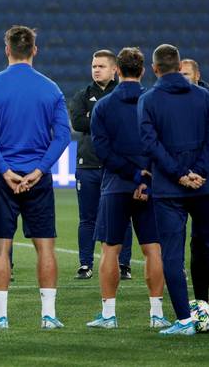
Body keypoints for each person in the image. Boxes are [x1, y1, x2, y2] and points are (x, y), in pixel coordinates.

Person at [0, 26, 70, 330]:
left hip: (2, 179)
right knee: (45, 247)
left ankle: (1, 316)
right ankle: (49, 315)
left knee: (0, 249)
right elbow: (63, 136)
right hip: (37, 179)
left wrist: (5, 171)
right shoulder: (51, 88)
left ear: (7, 50)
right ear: (35, 50)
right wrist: (39, 170)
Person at [86, 47, 170, 329]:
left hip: (116, 185)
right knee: (153, 250)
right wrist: (145, 179)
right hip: (151, 187)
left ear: (118, 71)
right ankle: (156, 314)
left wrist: (132, 175)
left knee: (110, 249)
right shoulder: (155, 102)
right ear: (143, 70)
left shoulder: (104, 106)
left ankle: (108, 315)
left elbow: (102, 150)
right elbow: (160, 145)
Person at [138, 44, 209, 335]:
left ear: (155, 68)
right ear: (179, 66)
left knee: (172, 255)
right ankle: (205, 307)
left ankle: (184, 320)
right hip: (204, 186)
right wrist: (199, 172)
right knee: (205, 246)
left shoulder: (149, 99)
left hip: (169, 189)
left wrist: (179, 174)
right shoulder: (204, 96)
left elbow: (149, 143)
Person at [69, 49, 133, 280]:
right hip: (88, 166)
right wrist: (109, 119)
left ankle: (124, 265)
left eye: (101, 66)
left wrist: (93, 118)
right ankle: (85, 264)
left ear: (115, 69)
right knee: (87, 218)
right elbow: (77, 122)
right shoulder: (82, 94)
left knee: (123, 217)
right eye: (94, 66)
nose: (96, 70)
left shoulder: (123, 93)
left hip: (116, 168)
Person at [180, 58, 209, 302]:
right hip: (180, 181)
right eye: (179, 73)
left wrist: (198, 172)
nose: (183, 78)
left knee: (202, 241)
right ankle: (200, 300)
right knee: (189, 244)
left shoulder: (205, 100)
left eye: (187, 74)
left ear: (197, 76)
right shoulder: (168, 102)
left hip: (202, 181)